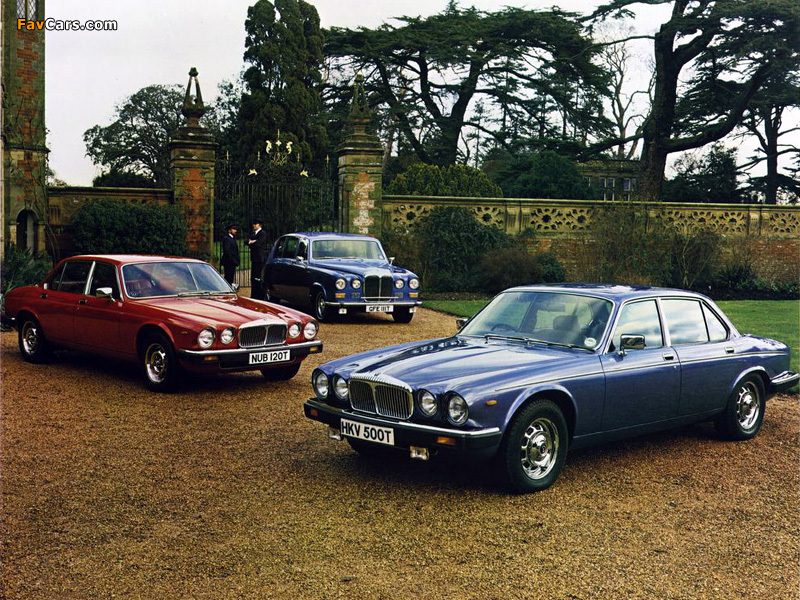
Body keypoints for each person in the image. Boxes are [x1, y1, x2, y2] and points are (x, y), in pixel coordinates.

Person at [248, 218, 269, 299]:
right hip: (254, 258)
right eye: (253, 224)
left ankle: (260, 295)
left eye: (255, 224)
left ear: (260, 225)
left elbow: (258, 244)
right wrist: (252, 242)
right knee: (254, 277)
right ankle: (254, 295)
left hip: (260, 258)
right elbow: (246, 241)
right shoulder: (253, 233)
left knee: (258, 277)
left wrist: (252, 242)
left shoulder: (262, 233)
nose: (254, 225)